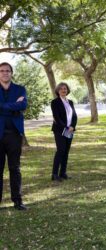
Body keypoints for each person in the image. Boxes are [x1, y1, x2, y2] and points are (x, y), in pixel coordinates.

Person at [0, 62, 28, 210]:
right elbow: (16, 106)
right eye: (2, 71)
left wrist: (3, 106)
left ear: (11, 73)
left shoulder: (20, 89)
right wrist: (13, 106)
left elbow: (23, 106)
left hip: (14, 135)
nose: (5, 73)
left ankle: (17, 201)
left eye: (7, 71)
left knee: (15, 168)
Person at [51, 82, 77, 181]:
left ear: (67, 90)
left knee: (66, 152)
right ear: (58, 91)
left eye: (65, 88)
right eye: (61, 89)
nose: (63, 90)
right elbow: (56, 117)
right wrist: (66, 127)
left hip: (70, 130)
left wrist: (72, 126)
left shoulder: (70, 102)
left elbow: (74, 116)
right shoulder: (55, 102)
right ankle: (54, 174)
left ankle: (63, 173)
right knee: (60, 150)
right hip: (59, 130)